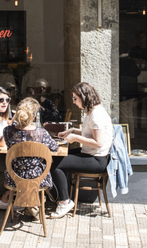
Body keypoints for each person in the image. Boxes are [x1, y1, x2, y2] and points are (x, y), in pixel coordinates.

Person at [49, 81, 114, 218]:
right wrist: (72, 131)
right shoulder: (92, 112)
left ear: (84, 97)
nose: (73, 102)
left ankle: (65, 202)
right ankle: (63, 197)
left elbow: (98, 142)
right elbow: (90, 133)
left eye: (75, 98)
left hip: (97, 160)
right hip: (90, 154)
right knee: (57, 157)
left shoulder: (96, 115)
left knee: (56, 164)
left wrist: (75, 138)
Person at [2, 98, 59, 219]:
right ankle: (33, 204)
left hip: (14, 177)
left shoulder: (7, 131)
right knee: (39, 171)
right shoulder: (41, 133)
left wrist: (13, 121)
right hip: (37, 178)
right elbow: (55, 147)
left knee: (23, 174)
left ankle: (28, 205)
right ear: (33, 117)